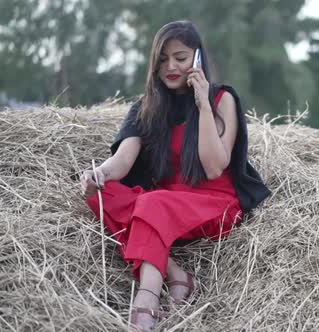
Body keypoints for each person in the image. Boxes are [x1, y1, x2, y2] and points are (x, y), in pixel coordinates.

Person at [80, 20, 270, 331]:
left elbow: (213, 167)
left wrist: (203, 104)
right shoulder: (145, 108)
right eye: (163, 59)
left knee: (151, 204)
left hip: (214, 205)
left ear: (197, 59)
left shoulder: (223, 99)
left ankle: (146, 301)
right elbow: (123, 161)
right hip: (162, 207)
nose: (171, 66)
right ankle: (176, 275)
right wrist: (98, 173)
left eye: (180, 58)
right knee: (101, 195)